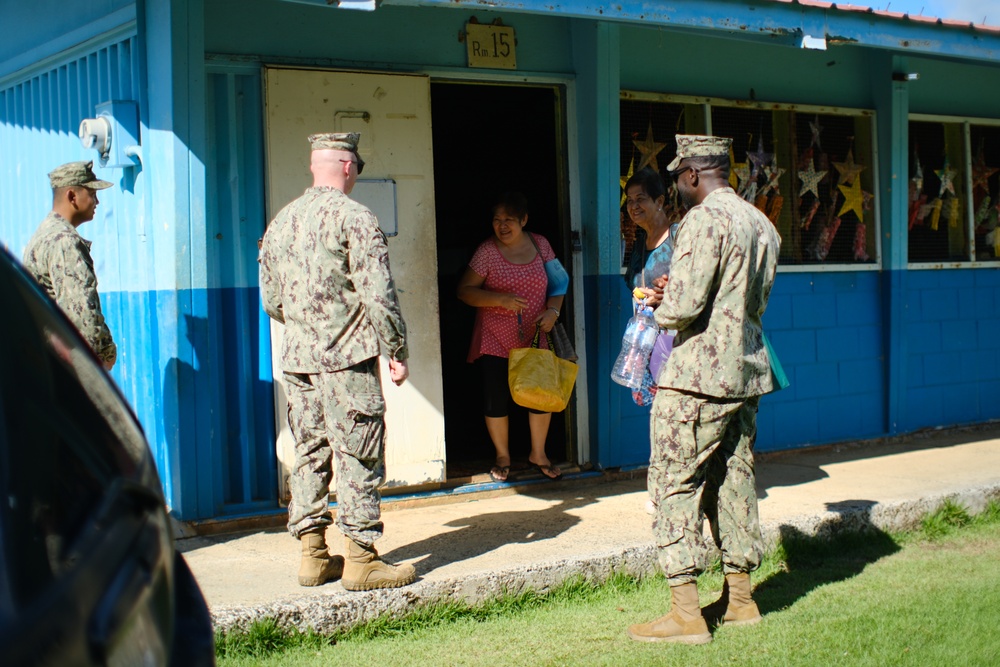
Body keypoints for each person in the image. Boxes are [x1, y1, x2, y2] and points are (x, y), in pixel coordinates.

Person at [627, 135, 781, 645]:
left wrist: (660, 301)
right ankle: (741, 600)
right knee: (734, 480)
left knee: (672, 482)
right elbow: (741, 296)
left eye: (678, 176)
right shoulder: (761, 222)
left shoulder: (701, 220)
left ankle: (685, 613)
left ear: (693, 174)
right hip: (745, 368)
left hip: (697, 375)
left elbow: (683, 307)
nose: (677, 185)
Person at [259, 132, 416, 591]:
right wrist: (397, 351)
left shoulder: (281, 221)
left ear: (316, 166)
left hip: (299, 360)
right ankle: (362, 560)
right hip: (347, 360)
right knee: (358, 454)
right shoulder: (356, 218)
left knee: (309, 453)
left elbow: (271, 300)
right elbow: (378, 294)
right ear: (348, 167)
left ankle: (313, 556)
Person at [457, 192, 565, 483]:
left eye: (509, 220)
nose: (502, 226)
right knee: (496, 397)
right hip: (495, 336)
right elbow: (464, 291)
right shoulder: (487, 251)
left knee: (539, 395)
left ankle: (538, 454)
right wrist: (499, 299)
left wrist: (553, 312)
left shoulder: (541, 245)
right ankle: (502, 456)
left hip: (535, 334)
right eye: (496, 220)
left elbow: (559, 283)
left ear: (524, 220)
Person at [23, 160, 117, 370]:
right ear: (72, 196)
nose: (97, 201)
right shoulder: (65, 242)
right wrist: (105, 354)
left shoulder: (42, 236)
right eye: (92, 193)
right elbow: (82, 317)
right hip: (66, 369)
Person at [622, 167, 679, 407]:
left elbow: (699, 285)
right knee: (658, 414)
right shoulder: (639, 243)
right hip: (646, 338)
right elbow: (633, 285)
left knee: (677, 407)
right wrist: (640, 293)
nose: (633, 205)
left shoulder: (678, 236)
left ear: (659, 201)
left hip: (675, 341)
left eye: (640, 199)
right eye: (630, 200)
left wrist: (668, 293)